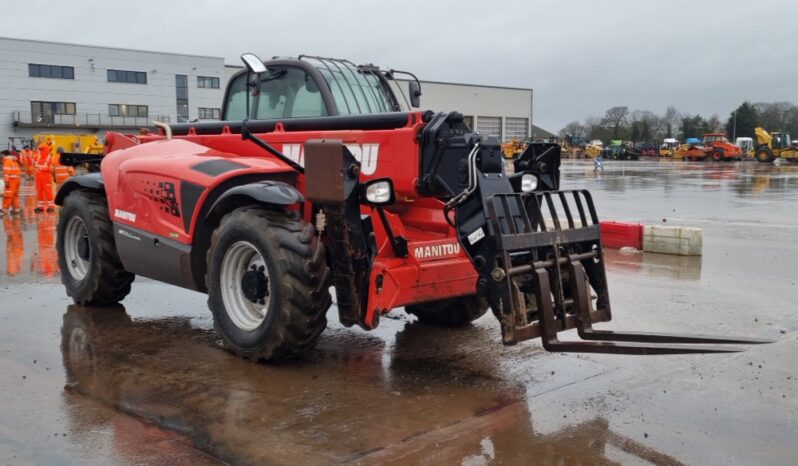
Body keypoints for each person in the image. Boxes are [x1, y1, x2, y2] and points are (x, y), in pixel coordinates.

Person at [34, 139, 55, 212]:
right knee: (39, 192)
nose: (40, 150)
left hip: (46, 177)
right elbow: (34, 162)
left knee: (48, 192)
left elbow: (52, 169)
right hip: (38, 177)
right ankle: (40, 207)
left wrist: (43, 168)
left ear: (45, 149)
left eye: (41, 149)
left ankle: (51, 207)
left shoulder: (49, 158)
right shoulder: (38, 156)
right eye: (39, 149)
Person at [1, 150, 22, 216]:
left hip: (11, 181)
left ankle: (5, 209)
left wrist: (6, 182)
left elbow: (7, 173)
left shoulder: (7, 161)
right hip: (17, 180)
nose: (1, 156)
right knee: (15, 195)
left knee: (8, 195)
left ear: (4, 155)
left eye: (1, 154)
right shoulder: (14, 161)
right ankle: (16, 210)